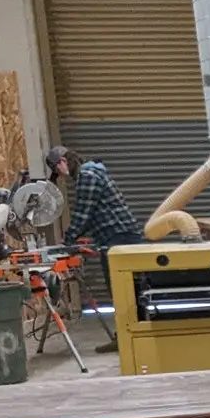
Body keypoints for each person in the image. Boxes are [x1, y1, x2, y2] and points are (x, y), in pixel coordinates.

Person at [48, 145, 141, 352]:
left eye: (58, 171)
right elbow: (95, 213)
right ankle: (127, 337)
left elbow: (83, 213)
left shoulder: (87, 176)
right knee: (125, 290)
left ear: (62, 162)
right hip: (119, 236)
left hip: (120, 238)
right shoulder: (92, 172)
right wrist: (82, 238)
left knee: (121, 290)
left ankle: (129, 339)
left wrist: (68, 240)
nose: (61, 176)